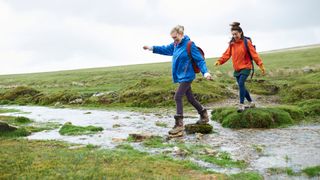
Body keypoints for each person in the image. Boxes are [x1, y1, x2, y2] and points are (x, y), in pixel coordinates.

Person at [143, 25, 212, 135]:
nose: (174, 40)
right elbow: (165, 49)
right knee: (190, 98)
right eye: (172, 38)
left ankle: (179, 125)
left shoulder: (189, 45)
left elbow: (200, 60)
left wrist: (206, 73)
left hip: (187, 75)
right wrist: (151, 47)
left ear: (181, 34)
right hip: (180, 76)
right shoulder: (175, 45)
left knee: (177, 96)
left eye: (175, 37)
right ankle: (204, 114)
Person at [215, 22, 266, 112]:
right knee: (241, 85)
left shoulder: (247, 42)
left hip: (246, 66)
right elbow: (227, 54)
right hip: (237, 68)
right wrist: (220, 61)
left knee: (241, 83)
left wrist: (260, 64)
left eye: (236, 34)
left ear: (241, 32)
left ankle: (241, 104)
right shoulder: (232, 43)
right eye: (233, 34)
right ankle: (251, 103)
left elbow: (254, 55)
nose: (235, 36)